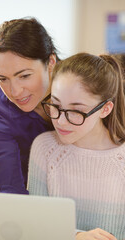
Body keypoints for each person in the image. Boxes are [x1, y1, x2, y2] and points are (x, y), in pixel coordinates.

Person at [28, 53, 125, 240]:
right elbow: (36, 227)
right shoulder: (45, 148)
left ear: (105, 109)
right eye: (55, 105)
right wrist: (76, 237)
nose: (61, 122)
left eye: (75, 111)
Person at [0, 18, 58, 194]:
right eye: (2, 79)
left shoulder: (82, 89)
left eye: (24, 76)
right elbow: (9, 185)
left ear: (51, 62)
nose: (15, 92)